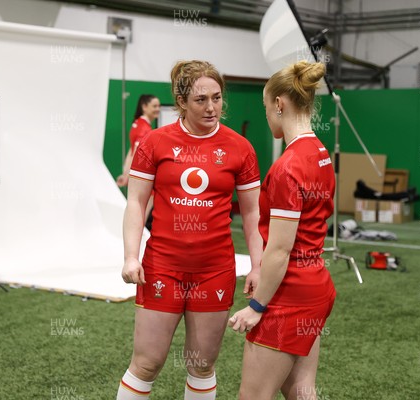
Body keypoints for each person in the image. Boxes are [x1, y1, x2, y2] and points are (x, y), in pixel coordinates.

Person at [117, 60, 262, 400]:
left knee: (200, 365)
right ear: (181, 102)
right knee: (146, 363)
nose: (211, 107)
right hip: (161, 268)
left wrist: (257, 265)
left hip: (214, 271)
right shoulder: (155, 142)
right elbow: (136, 203)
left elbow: (253, 211)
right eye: (201, 100)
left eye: (217, 97)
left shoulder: (240, 148)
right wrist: (130, 257)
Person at [228, 61, 336, 400]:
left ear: (279, 104)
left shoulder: (288, 166)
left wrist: (257, 307)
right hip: (316, 287)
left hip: (289, 295)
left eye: (265, 107)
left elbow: (280, 250)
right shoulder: (321, 153)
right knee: (301, 390)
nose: (266, 115)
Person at [117, 94, 161, 188]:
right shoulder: (144, 128)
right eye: (154, 106)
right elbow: (136, 152)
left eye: (158, 106)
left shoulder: (137, 124)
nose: (158, 109)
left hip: (139, 178)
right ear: (144, 107)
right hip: (143, 180)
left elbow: (131, 151)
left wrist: (126, 174)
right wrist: (127, 177)